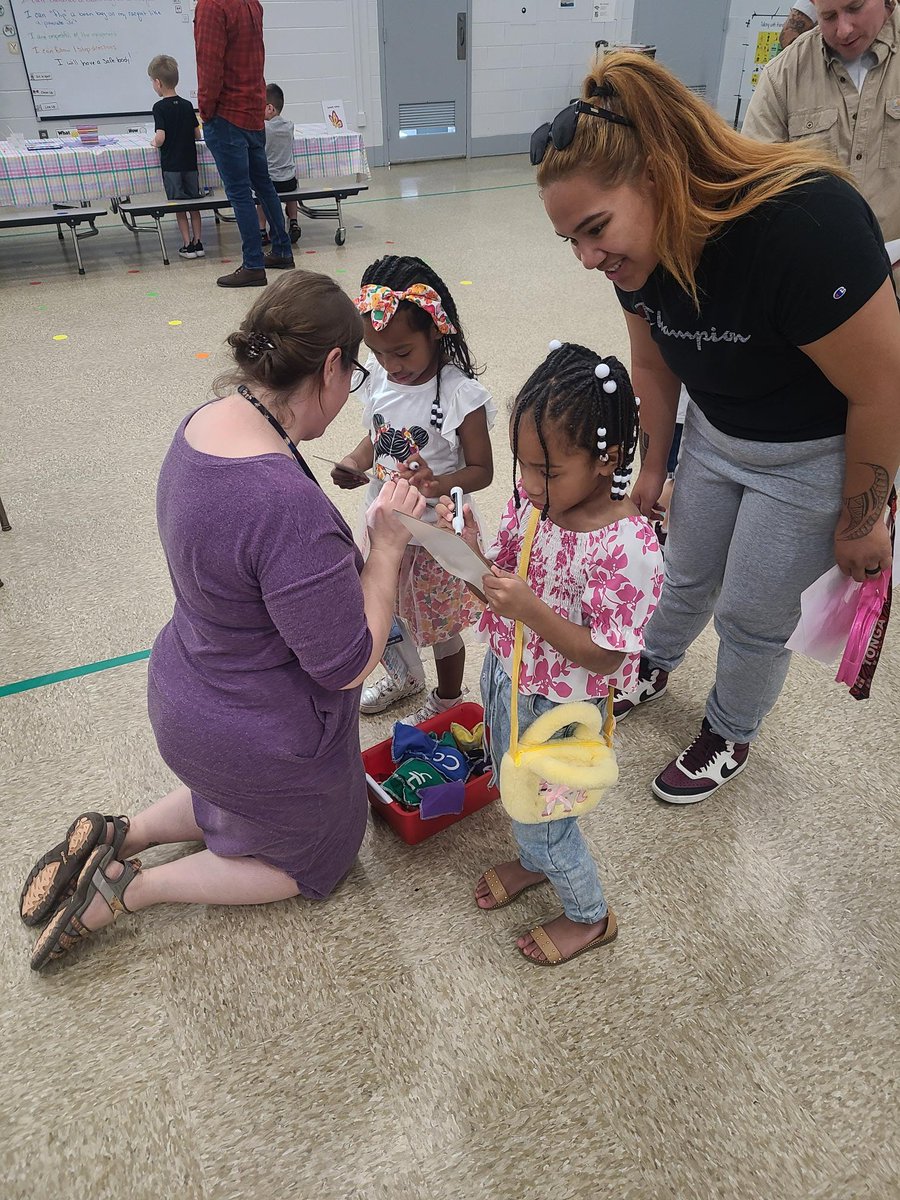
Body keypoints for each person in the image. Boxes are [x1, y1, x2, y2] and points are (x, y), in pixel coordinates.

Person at [20, 272, 426, 971]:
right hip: (258, 733)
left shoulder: (199, 428)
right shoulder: (284, 506)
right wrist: (385, 550)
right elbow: (348, 663)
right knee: (322, 852)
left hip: (185, 696)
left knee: (237, 792)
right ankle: (136, 886)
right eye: (353, 373)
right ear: (331, 365)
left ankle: (127, 830)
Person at [532, 52, 900, 805]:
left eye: (595, 229)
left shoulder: (804, 224)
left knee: (750, 613)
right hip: (717, 434)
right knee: (685, 570)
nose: (586, 258)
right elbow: (654, 366)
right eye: (571, 240)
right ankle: (653, 663)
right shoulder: (633, 262)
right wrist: (652, 471)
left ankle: (730, 728)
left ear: (661, 178)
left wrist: (863, 518)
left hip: (812, 455)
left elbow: (884, 387)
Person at [440, 342, 662, 965]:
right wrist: (467, 554)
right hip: (508, 678)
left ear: (606, 459)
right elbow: (499, 583)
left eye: (548, 471)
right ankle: (533, 860)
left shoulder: (626, 547)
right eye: (523, 467)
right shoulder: (536, 507)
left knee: (551, 815)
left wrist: (532, 609)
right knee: (520, 789)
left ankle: (589, 916)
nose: (530, 485)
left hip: (563, 709)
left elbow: (607, 659)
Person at [332, 255, 495, 724]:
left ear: (436, 332)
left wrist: (437, 483)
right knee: (386, 608)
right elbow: (378, 434)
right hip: (385, 525)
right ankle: (404, 676)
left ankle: (447, 699)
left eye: (402, 353)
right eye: (379, 353)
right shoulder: (380, 375)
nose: (389, 364)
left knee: (441, 626)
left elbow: (482, 470)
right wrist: (354, 462)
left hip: (434, 535)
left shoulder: (459, 394)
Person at [744, 0, 900, 266]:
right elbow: (752, 190)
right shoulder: (783, 77)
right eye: (828, 16)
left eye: (855, 7)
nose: (843, 30)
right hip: (815, 288)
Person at [194, 0, 295, 287]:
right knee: (263, 186)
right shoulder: (251, 3)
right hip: (252, 111)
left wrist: (206, 111)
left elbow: (209, 63)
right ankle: (282, 250)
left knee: (239, 193)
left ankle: (253, 264)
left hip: (227, 114)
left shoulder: (212, 5)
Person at [148, 54, 204, 260]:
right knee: (194, 204)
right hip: (190, 163)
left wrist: (154, 142)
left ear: (158, 83)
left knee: (179, 206)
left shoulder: (159, 108)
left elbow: (161, 136)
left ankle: (186, 244)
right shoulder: (188, 105)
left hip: (172, 166)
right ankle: (199, 243)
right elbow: (197, 134)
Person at [256, 83, 301, 247]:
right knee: (293, 185)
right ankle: (294, 221)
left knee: (259, 190)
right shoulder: (290, 126)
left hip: (271, 182)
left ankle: (261, 229)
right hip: (288, 181)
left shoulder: (264, 128)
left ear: (269, 108)